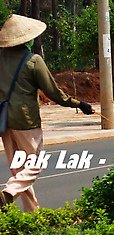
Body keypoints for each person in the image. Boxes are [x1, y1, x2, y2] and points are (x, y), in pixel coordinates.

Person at [0, 14, 95, 212]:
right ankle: (9, 191)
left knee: (19, 169)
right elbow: (53, 92)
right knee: (35, 165)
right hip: (26, 121)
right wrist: (79, 104)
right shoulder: (33, 61)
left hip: (4, 120)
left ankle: (31, 215)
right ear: (27, 39)